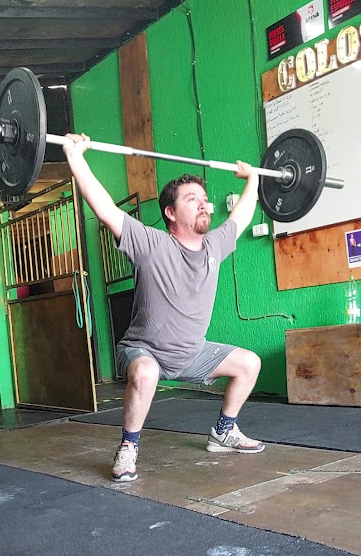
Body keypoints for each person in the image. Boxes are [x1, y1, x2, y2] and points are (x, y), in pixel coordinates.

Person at [63, 133, 265, 483]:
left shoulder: (214, 246)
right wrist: (74, 156)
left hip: (191, 354)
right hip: (144, 351)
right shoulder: (151, 244)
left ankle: (223, 432)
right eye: (192, 200)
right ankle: (128, 447)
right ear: (170, 213)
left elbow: (242, 216)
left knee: (250, 363)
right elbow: (105, 208)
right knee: (146, 373)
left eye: (204, 199)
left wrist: (254, 180)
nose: (203, 204)